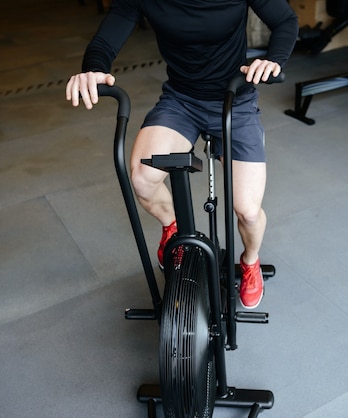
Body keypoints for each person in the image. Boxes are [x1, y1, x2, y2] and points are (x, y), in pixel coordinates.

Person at [66, 0, 298, 309]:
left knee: (248, 210)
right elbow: (108, 37)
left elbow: (285, 21)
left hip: (234, 98)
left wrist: (274, 59)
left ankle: (250, 261)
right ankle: (172, 227)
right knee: (142, 178)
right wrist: (93, 70)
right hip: (181, 101)